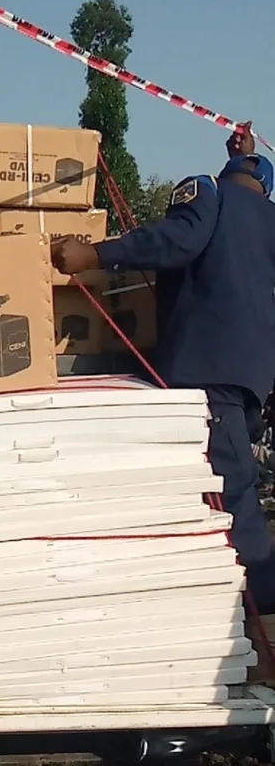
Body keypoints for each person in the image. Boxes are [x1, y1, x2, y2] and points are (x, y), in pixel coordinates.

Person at [51, 124, 275, 609]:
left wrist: (93, 253)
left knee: (232, 499)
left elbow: (177, 241)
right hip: (252, 380)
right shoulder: (269, 219)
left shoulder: (210, 195)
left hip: (207, 370)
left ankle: (262, 623)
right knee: (221, 492)